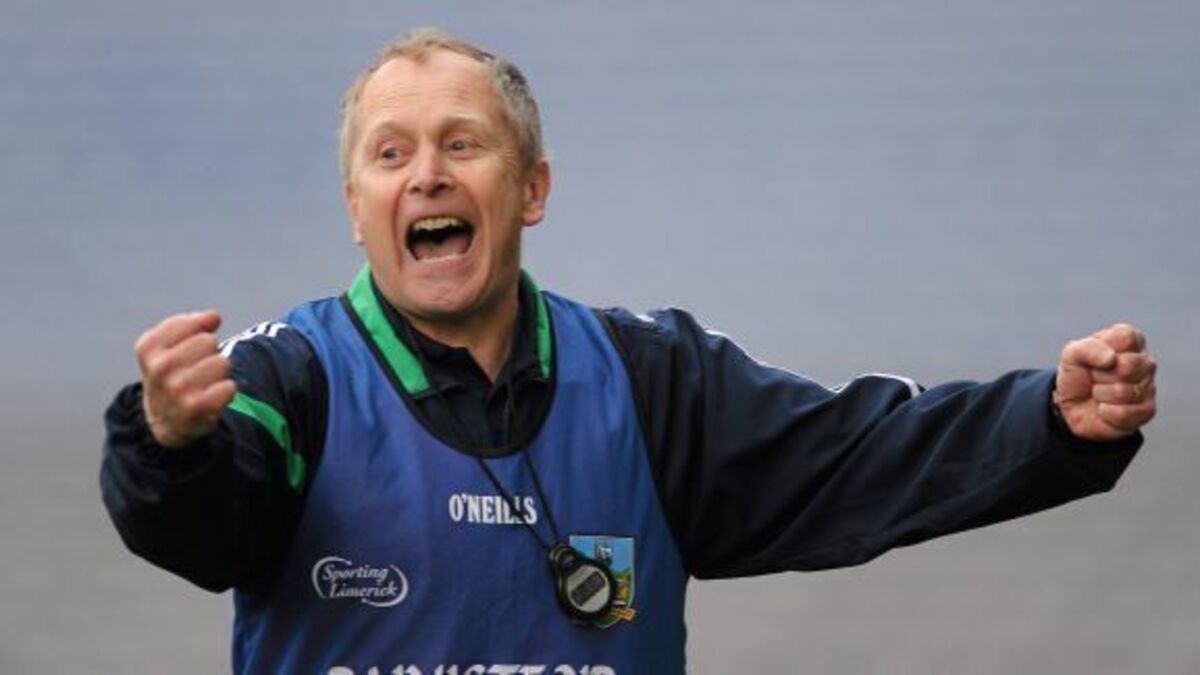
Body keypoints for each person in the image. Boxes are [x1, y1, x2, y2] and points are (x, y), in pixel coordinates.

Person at [101, 28, 1157, 675]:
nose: (426, 175)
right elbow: (198, 529)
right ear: (354, 207)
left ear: (532, 189)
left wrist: (1050, 422)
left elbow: (859, 451)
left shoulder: (651, 379)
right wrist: (167, 442)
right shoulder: (288, 378)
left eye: (461, 143)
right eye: (391, 153)